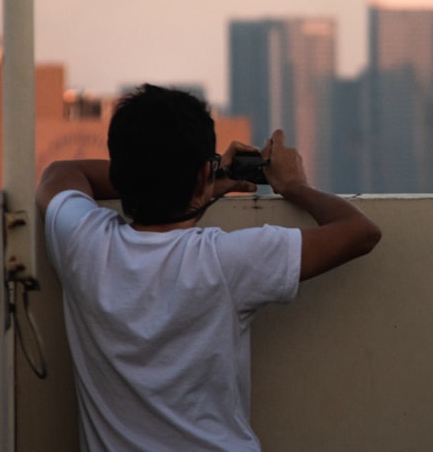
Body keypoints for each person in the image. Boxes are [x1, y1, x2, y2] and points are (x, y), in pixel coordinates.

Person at [35, 83, 381, 451]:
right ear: (203, 173)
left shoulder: (84, 244)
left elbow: (60, 173)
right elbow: (361, 232)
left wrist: (187, 180)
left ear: (120, 175)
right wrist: (294, 186)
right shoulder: (227, 260)